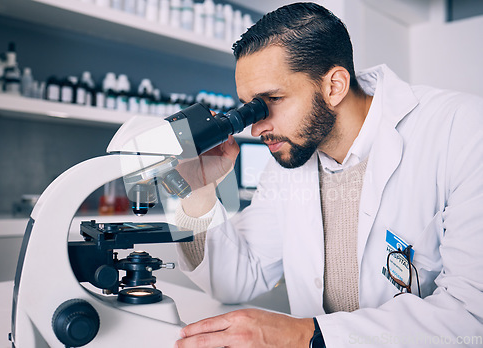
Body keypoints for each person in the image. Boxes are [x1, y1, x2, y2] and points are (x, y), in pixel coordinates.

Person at [173, 2, 483, 347]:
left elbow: (472, 317)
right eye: (249, 108)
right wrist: (198, 191)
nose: (258, 127)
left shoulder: (463, 129)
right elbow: (236, 280)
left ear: (334, 86)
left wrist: (304, 335)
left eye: (271, 100)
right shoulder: (293, 156)